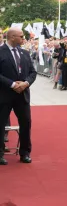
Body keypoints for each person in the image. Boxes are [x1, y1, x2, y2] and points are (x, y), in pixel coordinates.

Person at [0, 28, 37, 165]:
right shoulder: (1, 52)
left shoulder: (25, 53)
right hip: (4, 95)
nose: (24, 38)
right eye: (21, 36)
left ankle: (25, 153)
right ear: (12, 37)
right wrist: (12, 84)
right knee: (1, 124)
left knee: (26, 123)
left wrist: (26, 83)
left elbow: (33, 72)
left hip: (22, 95)